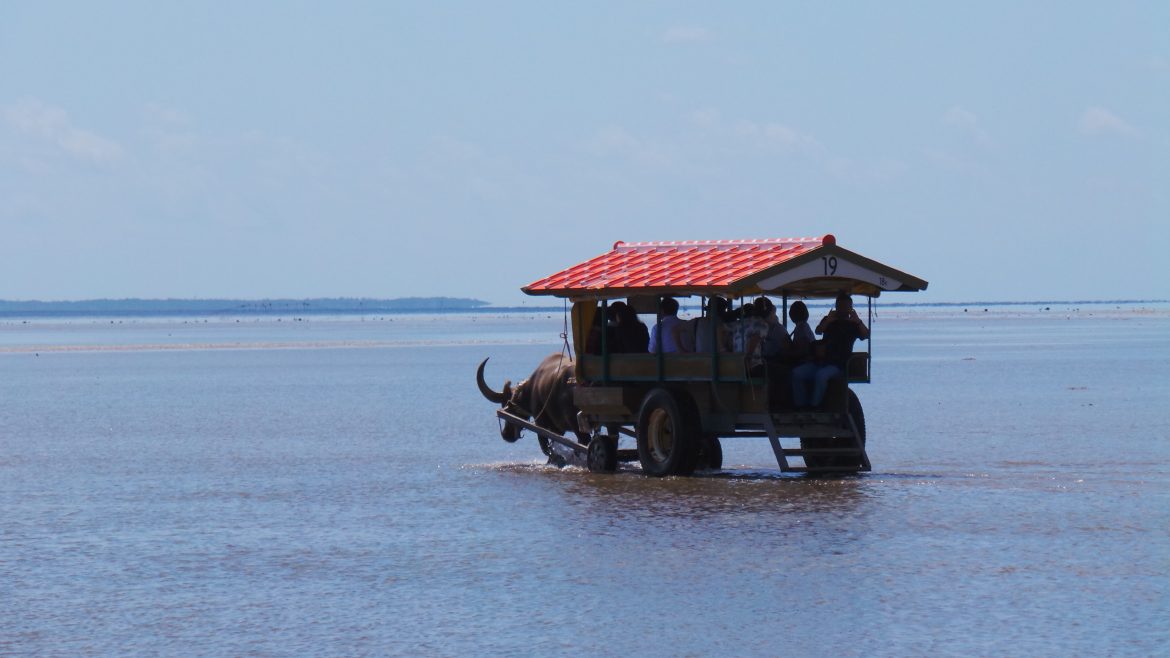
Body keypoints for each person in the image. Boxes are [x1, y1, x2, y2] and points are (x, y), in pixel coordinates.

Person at [791, 293, 869, 408]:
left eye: (845, 306)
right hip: (821, 362)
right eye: (840, 306)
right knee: (796, 374)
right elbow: (818, 331)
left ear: (850, 308)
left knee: (821, 376)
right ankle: (801, 405)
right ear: (836, 307)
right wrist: (828, 321)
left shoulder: (853, 324)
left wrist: (857, 321)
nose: (842, 309)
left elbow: (866, 335)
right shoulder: (829, 320)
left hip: (839, 365)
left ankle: (814, 406)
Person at [732, 300, 769, 375]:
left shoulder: (736, 324)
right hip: (752, 365)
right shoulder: (760, 323)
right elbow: (753, 340)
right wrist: (748, 360)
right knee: (780, 370)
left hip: (736, 363)